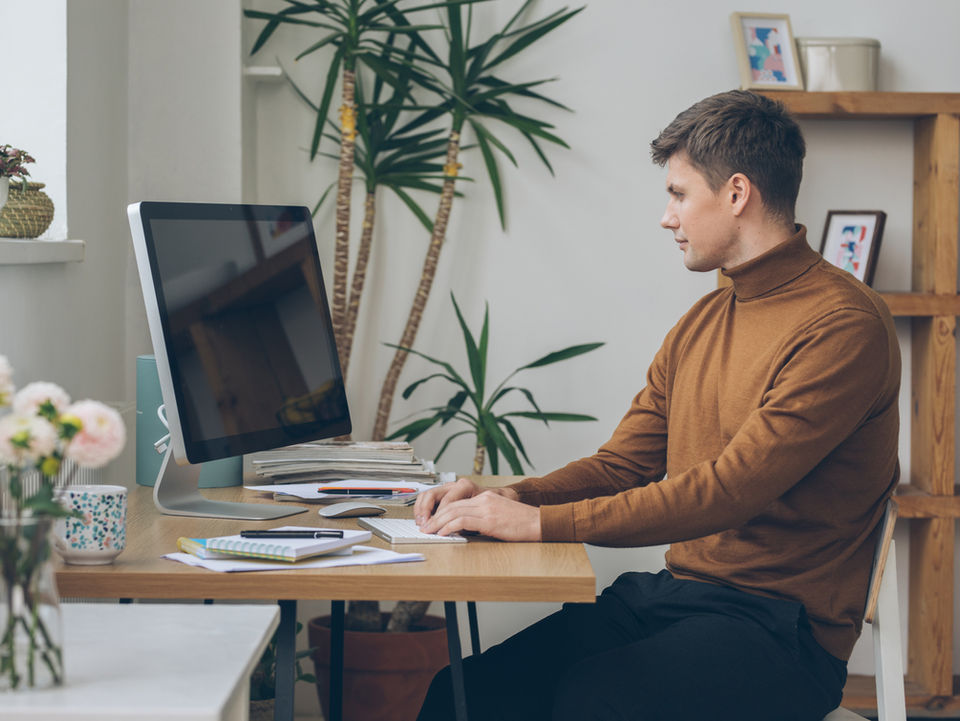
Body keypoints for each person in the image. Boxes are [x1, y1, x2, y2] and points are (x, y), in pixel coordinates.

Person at [413, 89, 901, 721]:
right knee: (466, 694)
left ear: (735, 193)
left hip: (781, 631)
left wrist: (539, 526)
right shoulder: (706, 317)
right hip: (676, 597)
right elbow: (624, 463)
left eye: (677, 194)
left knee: (591, 702)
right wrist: (516, 498)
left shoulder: (842, 326)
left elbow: (728, 492)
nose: (666, 217)